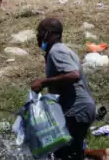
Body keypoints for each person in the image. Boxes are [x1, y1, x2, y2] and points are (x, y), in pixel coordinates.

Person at [31, 18, 96, 160]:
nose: (38, 36)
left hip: (76, 111)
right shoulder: (58, 51)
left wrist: (43, 82)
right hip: (79, 110)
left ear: (49, 34)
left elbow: (74, 75)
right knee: (72, 153)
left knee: (64, 155)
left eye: (40, 32)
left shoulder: (57, 51)